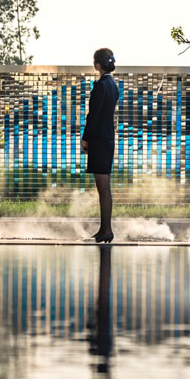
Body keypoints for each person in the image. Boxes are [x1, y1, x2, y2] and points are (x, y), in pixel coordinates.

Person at [81, 47, 119, 243]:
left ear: (97, 65)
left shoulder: (101, 85)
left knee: (103, 188)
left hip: (99, 139)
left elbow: (93, 116)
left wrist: (85, 138)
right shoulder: (113, 85)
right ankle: (105, 228)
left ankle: (107, 230)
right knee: (104, 187)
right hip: (108, 138)